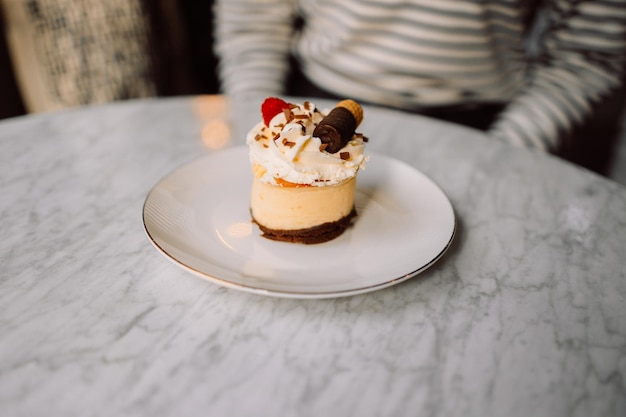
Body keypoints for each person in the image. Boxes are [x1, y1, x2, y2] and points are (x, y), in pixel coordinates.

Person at [213, 0, 626, 159]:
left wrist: (505, 152)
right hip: (310, 105)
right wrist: (259, 124)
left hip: (484, 129)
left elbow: (587, 54)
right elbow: (253, 17)